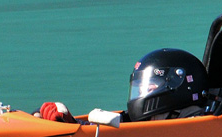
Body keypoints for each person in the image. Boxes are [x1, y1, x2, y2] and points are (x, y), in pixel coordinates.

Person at [35, 48, 210, 123]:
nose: (142, 92)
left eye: (150, 86)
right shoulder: (157, 120)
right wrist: (73, 123)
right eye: (140, 86)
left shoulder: (197, 126)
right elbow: (129, 127)